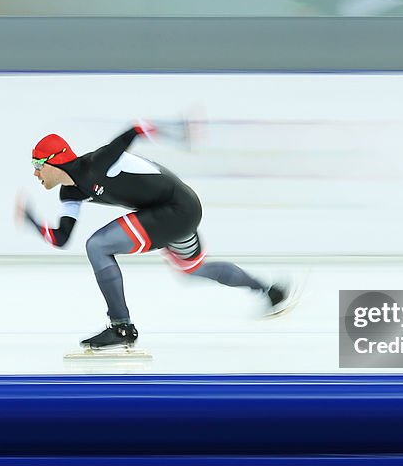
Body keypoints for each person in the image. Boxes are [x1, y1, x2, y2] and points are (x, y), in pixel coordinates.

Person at [17, 121, 293, 350]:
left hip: (176, 208)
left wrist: (179, 132)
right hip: (174, 212)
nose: (35, 172)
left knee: (98, 245)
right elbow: (61, 237)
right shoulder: (71, 192)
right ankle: (270, 291)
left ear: (54, 161)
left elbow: (135, 130)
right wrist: (31, 220)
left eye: (37, 163)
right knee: (192, 269)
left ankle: (121, 326)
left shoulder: (96, 164)